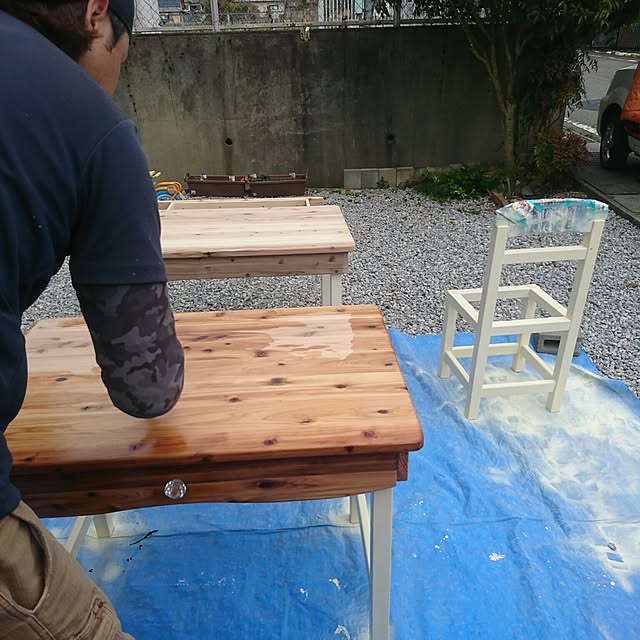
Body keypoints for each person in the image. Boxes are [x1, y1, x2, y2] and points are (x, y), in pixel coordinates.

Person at [0, 1, 185, 638]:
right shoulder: (93, 127)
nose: (113, 82)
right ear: (95, 13)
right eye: (121, 59)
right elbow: (148, 388)